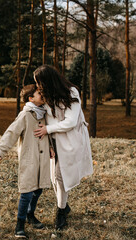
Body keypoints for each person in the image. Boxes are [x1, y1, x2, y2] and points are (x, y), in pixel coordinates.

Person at [33, 65, 93, 230]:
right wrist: (49, 141)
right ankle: (64, 206)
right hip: (54, 140)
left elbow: (71, 122)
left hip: (70, 140)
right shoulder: (46, 95)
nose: (37, 86)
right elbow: (45, 118)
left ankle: (61, 212)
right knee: (54, 178)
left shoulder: (71, 92)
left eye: (39, 82)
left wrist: (48, 130)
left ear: (48, 81)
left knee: (60, 177)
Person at [0, 84, 54, 238]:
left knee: (39, 188)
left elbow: (49, 132)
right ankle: (19, 224)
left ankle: (30, 214)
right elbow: (11, 133)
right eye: (39, 93)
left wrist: (51, 147)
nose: (42, 94)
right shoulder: (25, 115)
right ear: (31, 98)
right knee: (27, 191)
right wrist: (0, 151)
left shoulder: (45, 113)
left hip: (42, 159)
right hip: (30, 158)